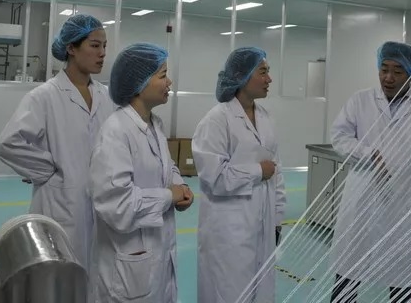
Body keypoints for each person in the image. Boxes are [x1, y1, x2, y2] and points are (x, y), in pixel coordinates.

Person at [329, 41, 411, 303]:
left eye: (398, 71)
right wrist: (369, 154)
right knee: (347, 276)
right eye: (384, 69)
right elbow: (339, 137)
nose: (388, 77)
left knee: (401, 281)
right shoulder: (360, 101)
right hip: (361, 201)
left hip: (402, 203)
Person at [0, 14, 115, 271]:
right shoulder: (44, 96)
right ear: (71, 48)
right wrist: (47, 170)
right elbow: (8, 143)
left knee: (94, 275)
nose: (102, 53)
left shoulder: (106, 97)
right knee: (59, 276)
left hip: (100, 204)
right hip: (59, 203)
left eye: (104, 46)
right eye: (95, 45)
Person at [89, 43, 193, 303]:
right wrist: (169, 196)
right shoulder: (116, 131)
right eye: (162, 75)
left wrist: (181, 186)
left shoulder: (155, 124)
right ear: (139, 83)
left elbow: (166, 166)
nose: (169, 82)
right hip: (128, 265)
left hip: (157, 254)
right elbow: (118, 205)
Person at [193, 47, 287, 303]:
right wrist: (257, 171)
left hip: (263, 226)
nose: (269, 79)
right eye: (263, 72)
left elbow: (277, 171)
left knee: (260, 292)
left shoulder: (266, 118)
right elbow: (214, 177)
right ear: (242, 76)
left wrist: (277, 218)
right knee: (228, 293)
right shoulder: (216, 120)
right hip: (228, 233)